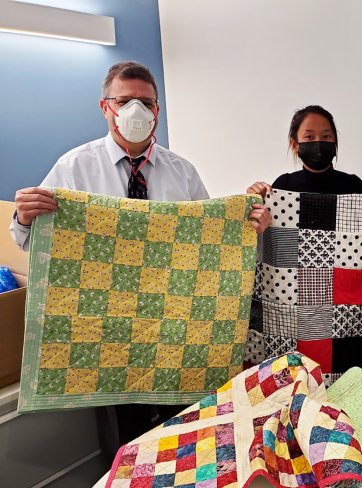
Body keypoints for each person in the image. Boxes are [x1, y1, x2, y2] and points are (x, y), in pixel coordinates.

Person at [9, 61, 272, 462]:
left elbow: (209, 244)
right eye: (124, 100)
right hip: (106, 329)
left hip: (175, 328)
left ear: (157, 110)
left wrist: (249, 226)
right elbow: (35, 243)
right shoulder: (74, 167)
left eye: (145, 102)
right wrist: (25, 216)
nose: (136, 110)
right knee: (124, 442)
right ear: (105, 107)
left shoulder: (181, 172)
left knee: (185, 436)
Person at [247, 105, 362, 198]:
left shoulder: (353, 186)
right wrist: (254, 201)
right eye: (309, 137)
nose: (319, 142)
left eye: (326, 136)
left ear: (335, 140)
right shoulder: (283, 186)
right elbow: (263, 228)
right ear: (295, 145)